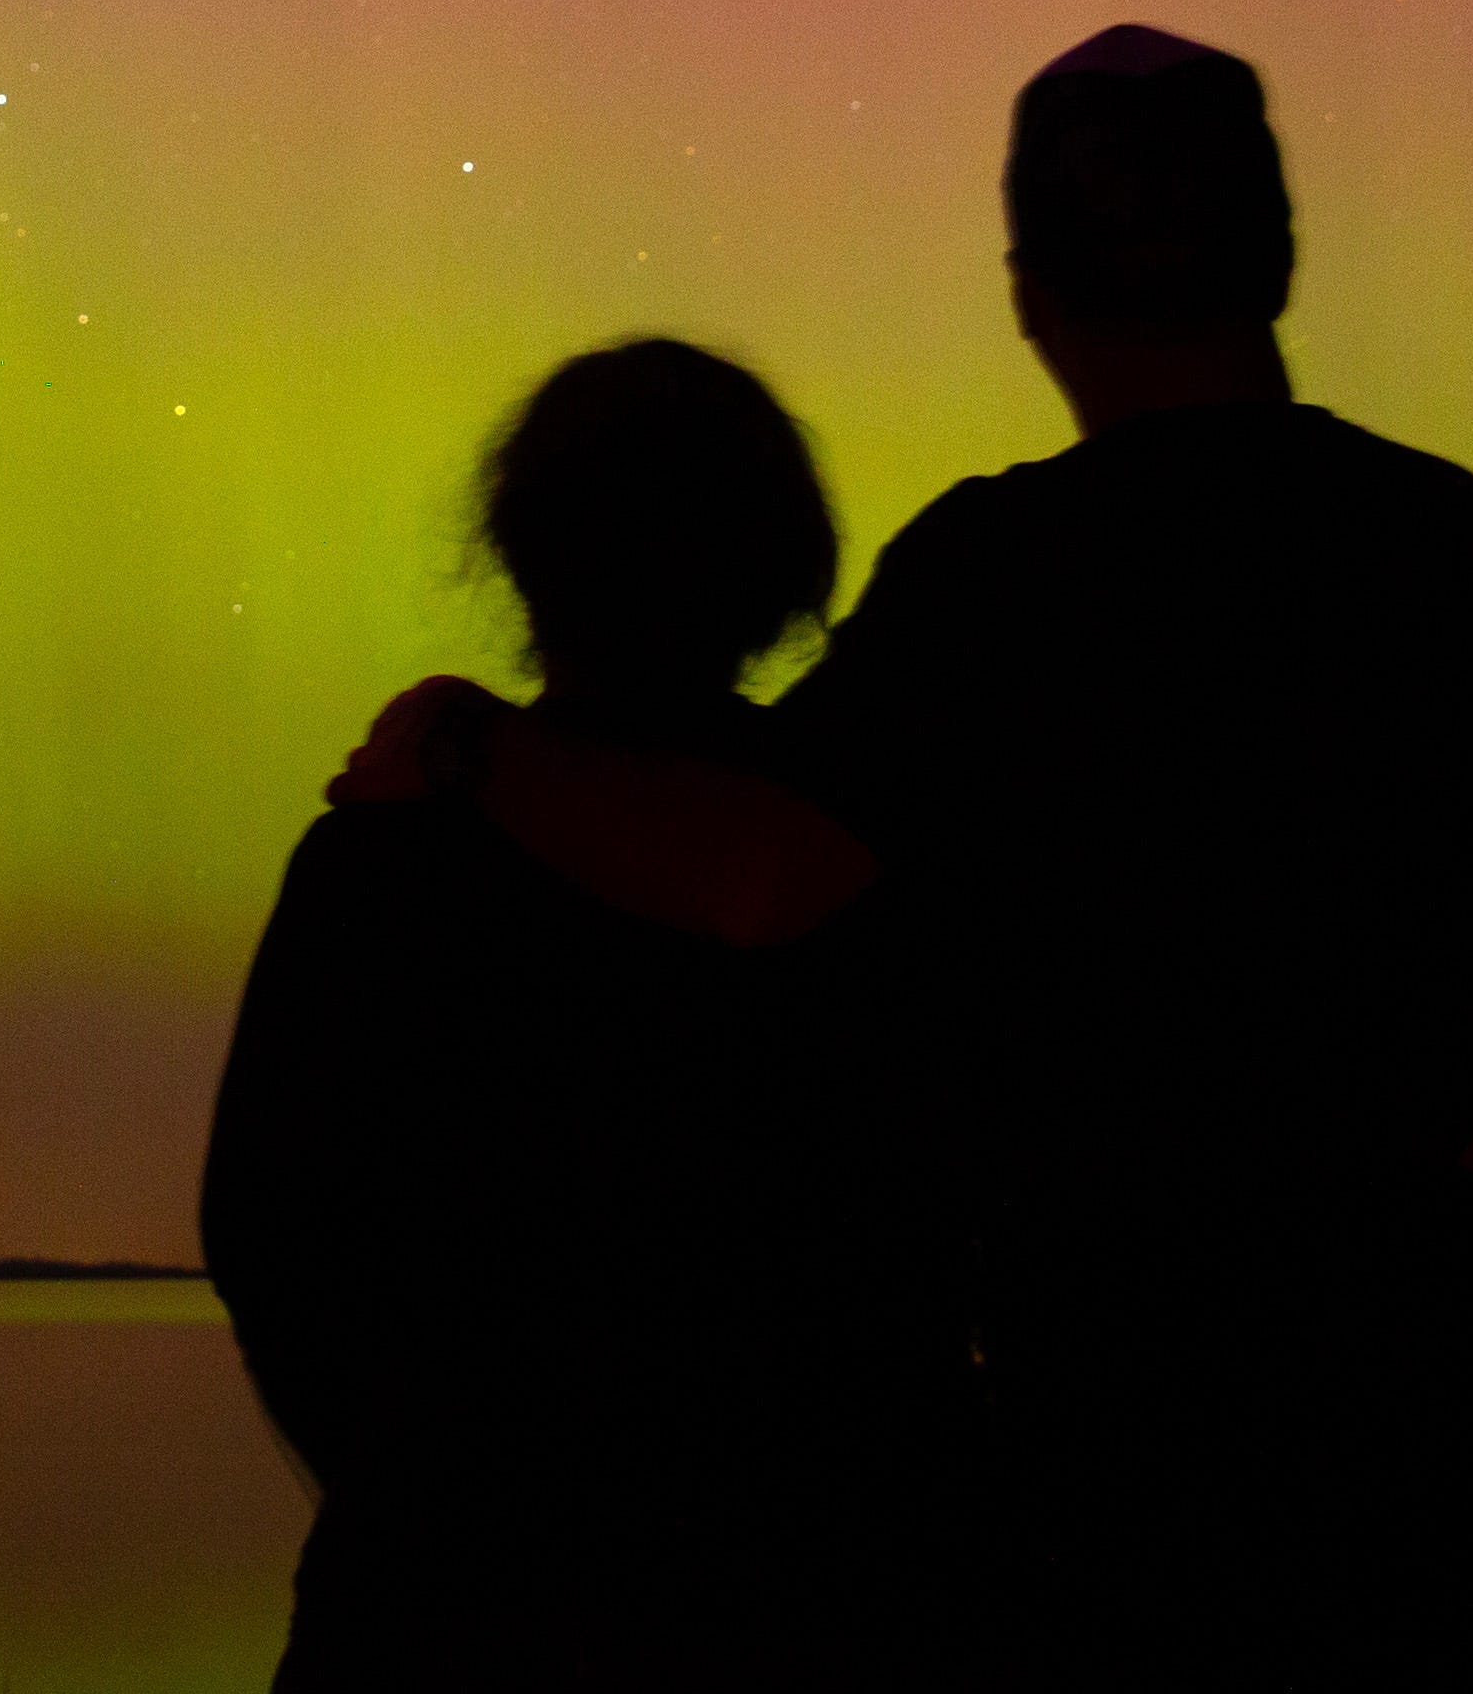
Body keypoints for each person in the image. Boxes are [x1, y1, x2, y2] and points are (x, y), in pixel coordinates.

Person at [343, 28, 1473, 1685]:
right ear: (1277, 259)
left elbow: (766, 877)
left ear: (1031, 288)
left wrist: (471, 746)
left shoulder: (1001, 584)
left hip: (1155, 1505)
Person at [201, 340, 980, 1690]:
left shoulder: (383, 861)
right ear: (781, 569)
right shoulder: (880, 863)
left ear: (519, 554)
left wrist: (419, 1495)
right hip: (818, 1605)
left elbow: (270, 1234)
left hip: (440, 1614)